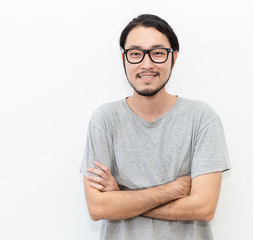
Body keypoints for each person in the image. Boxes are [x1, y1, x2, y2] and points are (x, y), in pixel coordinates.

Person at [80, 14, 231, 240]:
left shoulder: (202, 118)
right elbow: (98, 208)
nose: (146, 63)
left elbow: (204, 207)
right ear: (124, 59)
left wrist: (121, 198)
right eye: (135, 54)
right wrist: (175, 190)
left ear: (174, 58)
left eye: (158, 53)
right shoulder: (104, 120)